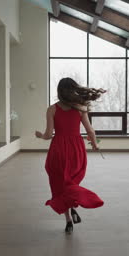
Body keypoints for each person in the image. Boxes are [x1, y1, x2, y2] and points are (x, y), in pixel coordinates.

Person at [35, 77, 105, 233]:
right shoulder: (80, 108)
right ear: (74, 90)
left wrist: (39, 135)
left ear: (59, 92)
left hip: (58, 149)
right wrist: (95, 144)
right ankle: (76, 203)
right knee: (72, 183)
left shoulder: (52, 109)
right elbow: (90, 131)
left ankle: (68, 220)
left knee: (60, 185)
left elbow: (48, 135)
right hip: (76, 149)